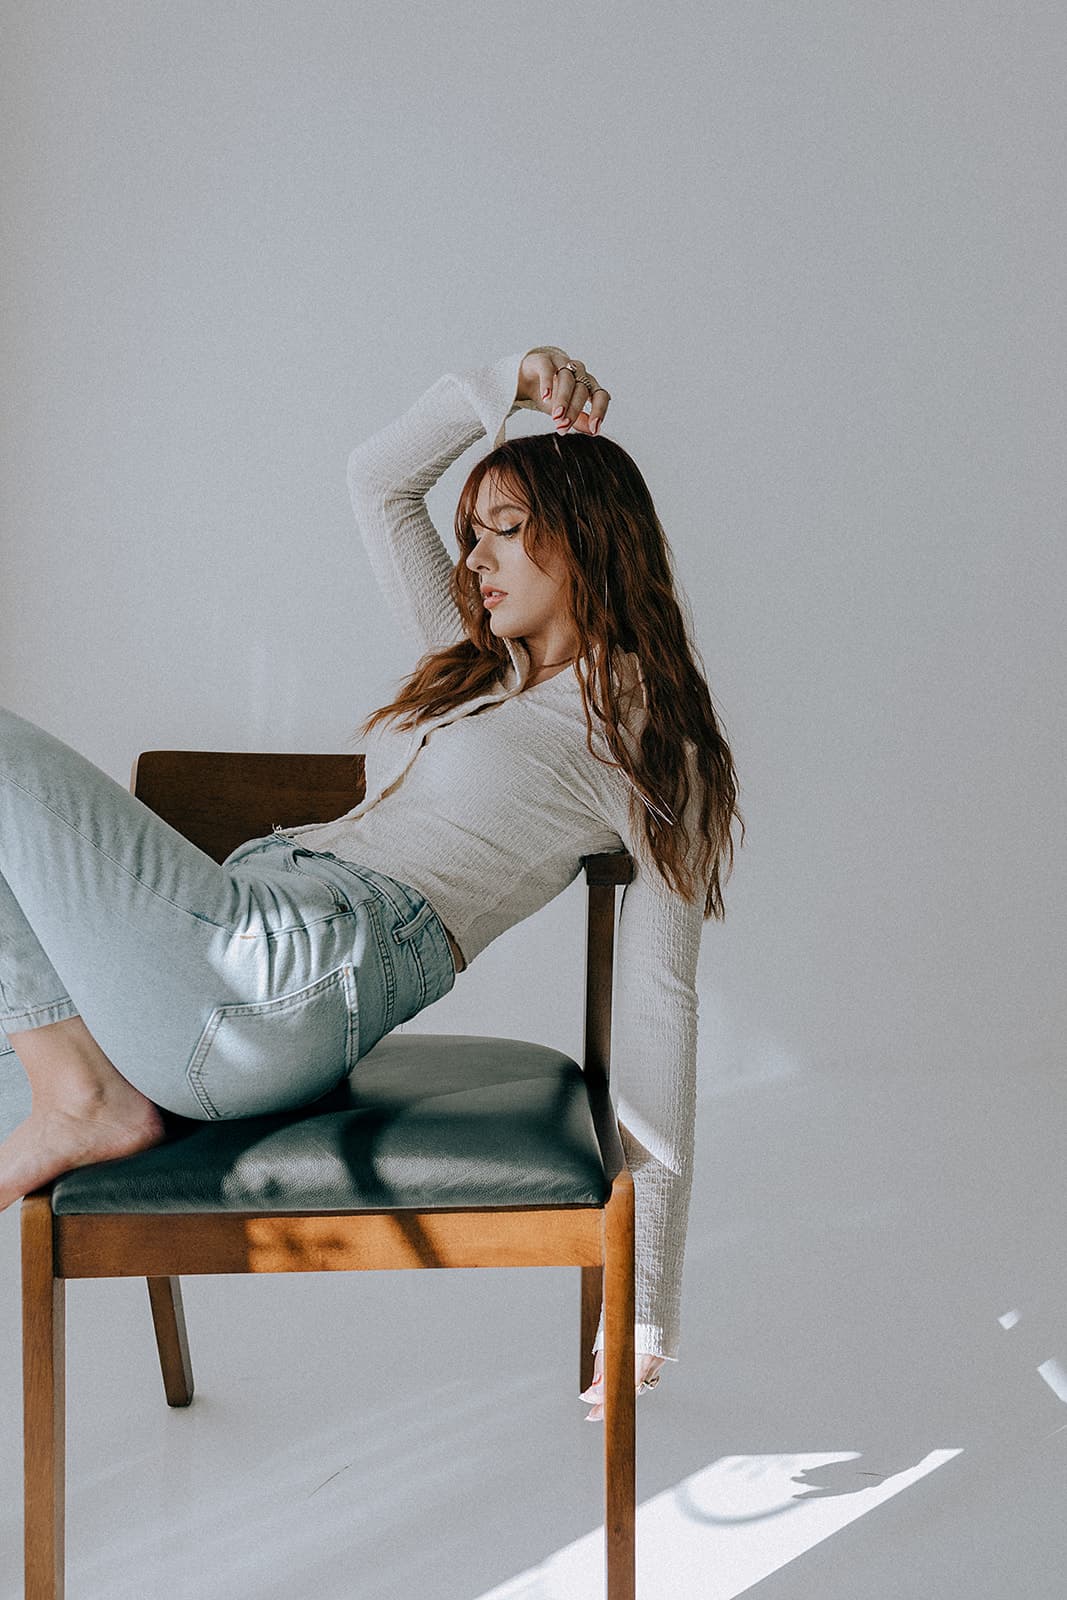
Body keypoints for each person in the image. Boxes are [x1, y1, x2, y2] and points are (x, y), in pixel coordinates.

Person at [0, 344, 744, 1421]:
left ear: (586, 535)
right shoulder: (479, 669)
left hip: (288, 979)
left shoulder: (639, 733)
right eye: (470, 533)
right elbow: (378, 480)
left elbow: (663, 1008)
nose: (476, 559)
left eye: (503, 527)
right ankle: (81, 1091)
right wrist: (508, 385)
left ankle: (80, 1097)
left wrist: (651, 1298)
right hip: (247, 936)